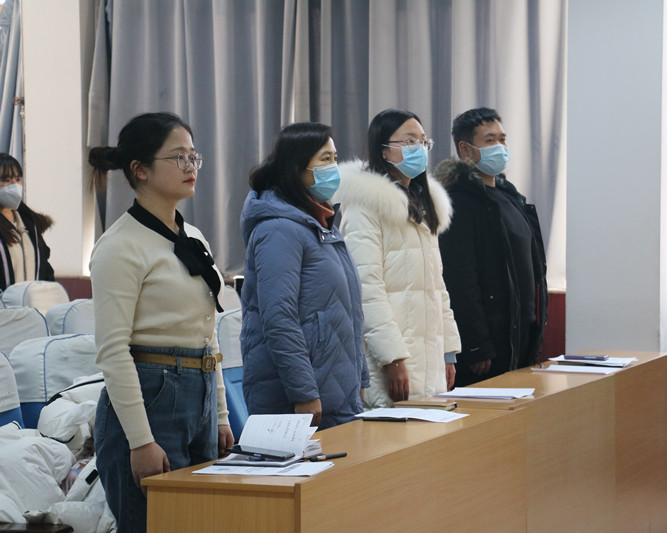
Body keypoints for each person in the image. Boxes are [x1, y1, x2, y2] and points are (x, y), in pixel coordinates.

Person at [88, 112, 233, 533]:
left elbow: (206, 331)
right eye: (178, 157)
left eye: (193, 156)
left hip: (198, 391)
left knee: (199, 524)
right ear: (140, 170)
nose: (191, 166)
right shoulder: (119, 246)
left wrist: (220, 414)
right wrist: (140, 441)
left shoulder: (193, 237)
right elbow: (113, 352)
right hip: (151, 394)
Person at [239, 122, 369, 429]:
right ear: (297, 167)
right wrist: (303, 391)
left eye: (335, 158)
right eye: (325, 159)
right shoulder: (278, 229)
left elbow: (347, 311)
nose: (333, 167)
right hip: (298, 399)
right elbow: (279, 318)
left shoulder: (322, 225)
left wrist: (360, 378)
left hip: (336, 392)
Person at [335, 109, 461, 408]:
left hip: (429, 357)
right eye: (409, 141)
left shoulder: (422, 205)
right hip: (390, 360)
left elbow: (437, 288)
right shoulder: (364, 207)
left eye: (423, 142)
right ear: (383, 149)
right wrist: (392, 358)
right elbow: (366, 291)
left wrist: (448, 351)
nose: (419, 149)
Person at [434, 107, 548, 387]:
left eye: (502, 139)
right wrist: (476, 344)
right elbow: (459, 278)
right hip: (487, 344)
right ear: (465, 149)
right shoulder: (458, 201)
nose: (500, 146)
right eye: (489, 140)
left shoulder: (510, 196)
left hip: (520, 333)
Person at [0, 153, 54, 291]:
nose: (14, 185)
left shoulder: (30, 225)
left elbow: (45, 270)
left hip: (32, 304)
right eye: (7, 180)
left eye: (18, 179)